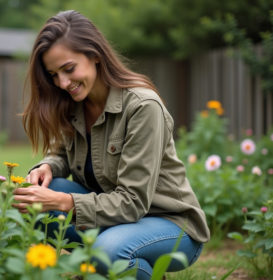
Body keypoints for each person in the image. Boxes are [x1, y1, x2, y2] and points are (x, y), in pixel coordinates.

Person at [12, 10, 210, 280]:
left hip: (170, 225)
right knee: (36, 198)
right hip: (113, 222)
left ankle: (110, 264)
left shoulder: (142, 107)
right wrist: (47, 166)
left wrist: (64, 202)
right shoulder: (73, 103)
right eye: (54, 74)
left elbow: (133, 202)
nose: (63, 83)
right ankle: (113, 267)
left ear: (95, 55)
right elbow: (62, 153)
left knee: (107, 250)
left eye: (69, 69)